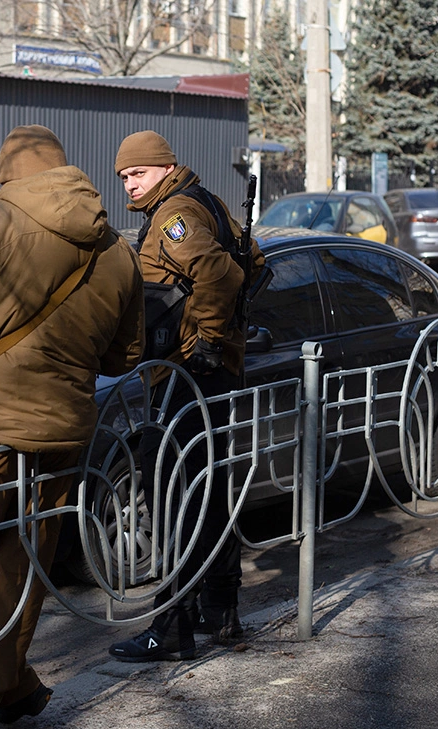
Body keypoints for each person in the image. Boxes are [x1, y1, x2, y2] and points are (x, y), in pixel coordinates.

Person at [0, 125, 144, 729]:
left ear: (8, 171)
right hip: (61, 436)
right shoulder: (117, 249)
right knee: (18, 572)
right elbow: (125, 357)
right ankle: (12, 687)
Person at [107, 130, 264, 663]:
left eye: (138, 173)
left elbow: (219, 274)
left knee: (174, 496)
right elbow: (254, 263)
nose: (129, 184)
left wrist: (210, 343)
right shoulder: (206, 201)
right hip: (206, 376)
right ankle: (221, 612)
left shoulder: (174, 215)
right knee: (207, 492)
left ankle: (171, 626)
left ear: (164, 167)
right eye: (124, 177)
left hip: (189, 376)